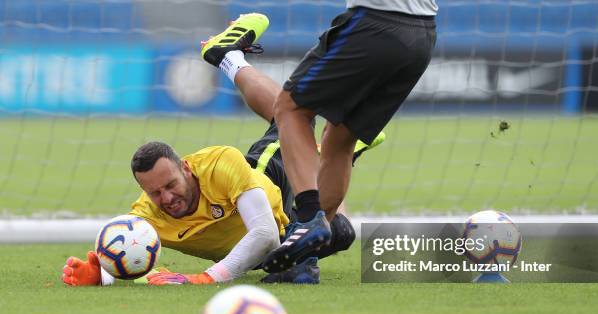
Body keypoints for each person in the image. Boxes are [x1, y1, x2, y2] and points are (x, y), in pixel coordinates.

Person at [62, 13, 383, 287]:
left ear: (186, 168)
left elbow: (265, 235)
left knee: (294, 119)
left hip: (270, 181)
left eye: (171, 185)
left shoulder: (220, 164)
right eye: (155, 193)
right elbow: (127, 252)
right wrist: (101, 274)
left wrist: (205, 278)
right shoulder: (148, 217)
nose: (167, 198)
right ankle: (336, 151)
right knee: (341, 232)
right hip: (282, 232)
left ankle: (228, 57)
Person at [261, 0, 438, 273]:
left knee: (290, 108)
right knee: (340, 137)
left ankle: (308, 219)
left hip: (375, 23)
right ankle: (303, 260)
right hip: (421, 36)